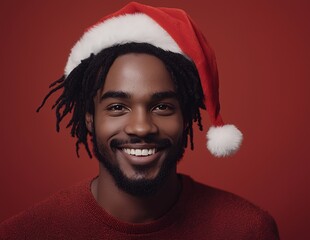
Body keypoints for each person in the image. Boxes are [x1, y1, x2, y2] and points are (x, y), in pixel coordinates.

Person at [0, 2, 279, 239]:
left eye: (162, 106)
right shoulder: (26, 233)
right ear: (89, 118)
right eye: (118, 106)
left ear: (185, 118)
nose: (141, 127)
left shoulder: (246, 230)